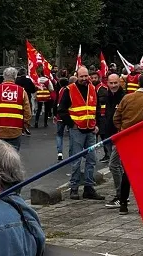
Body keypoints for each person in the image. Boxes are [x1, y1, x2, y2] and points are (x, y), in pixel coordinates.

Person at [112, 73, 143, 215]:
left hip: (127, 139)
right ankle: (142, 205)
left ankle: (123, 204)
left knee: (127, 172)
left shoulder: (127, 97)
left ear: (138, 83)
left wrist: (122, 130)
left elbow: (116, 117)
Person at [57, 66, 102, 200]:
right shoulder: (69, 90)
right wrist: (72, 124)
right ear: (77, 76)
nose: (84, 79)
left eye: (86, 76)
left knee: (91, 160)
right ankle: (74, 188)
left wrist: (97, 124)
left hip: (91, 130)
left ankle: (89, 188)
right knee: (76, 160)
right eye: (81, 76)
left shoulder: (93, 89)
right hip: (77, 130)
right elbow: (61, 110)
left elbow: (97, 109)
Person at [0, 67, 31, 151]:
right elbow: (27, 112)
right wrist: (24, 126)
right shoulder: (22, 91)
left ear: (4, 77)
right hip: (15, 129)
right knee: (13, 157)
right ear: (15, 77)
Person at [101, 73, 127, 209]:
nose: (113, 86)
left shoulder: (124, 97)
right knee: (119, 166)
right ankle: (123, 195)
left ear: (120, 82)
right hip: (109, 134)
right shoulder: (107, 96)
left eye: (115, 83)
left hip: (119, 135)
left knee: (113, 165)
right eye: (111, 83)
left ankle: (120, 196)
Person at [91, 70, 110, 161]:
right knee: (94, 136)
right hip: (94, 115)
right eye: (92, 78)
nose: (94, 79)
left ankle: (107, 154)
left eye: (95, 78)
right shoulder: (92, 87)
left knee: (103, 136)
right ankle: (92, 155)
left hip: (102, 115)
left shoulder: (101, 88)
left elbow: (103, 101)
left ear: (99, 78)